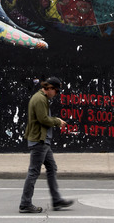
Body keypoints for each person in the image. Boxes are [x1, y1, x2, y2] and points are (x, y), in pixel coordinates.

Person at [19, 76, 74, 213]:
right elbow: (43, 119)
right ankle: (25, 203)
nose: (56, 94)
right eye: (56, 91)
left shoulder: (42, 98)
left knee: (51, 167)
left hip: (43, 140)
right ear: (49, 88)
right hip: (39, 140)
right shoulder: (39, 99)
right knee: (33, 172)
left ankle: (56, 200)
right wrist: (57, 121)